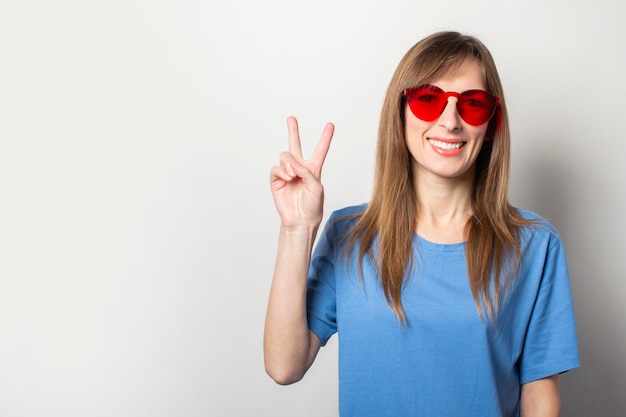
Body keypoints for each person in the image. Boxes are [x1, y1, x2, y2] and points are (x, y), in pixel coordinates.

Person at [264, 31, 579, 417]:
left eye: (472, 104)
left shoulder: (534, 246)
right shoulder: (349, 236)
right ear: (401, 112)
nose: (450, 121)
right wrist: (296, 230)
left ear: (492, 122)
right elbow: (284, 366)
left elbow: (540, 395)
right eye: (428, 100)